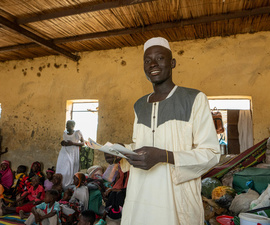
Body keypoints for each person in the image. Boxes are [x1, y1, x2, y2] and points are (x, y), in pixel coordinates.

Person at [105, 37, 220, 225]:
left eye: (160, 58)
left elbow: (211, 154)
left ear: (172, 63)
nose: (153, 64)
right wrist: (121, 152)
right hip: (140, 195)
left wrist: (164, 156)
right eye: (147, 60)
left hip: (174, 198)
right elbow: (139, 145)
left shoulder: (194, 99)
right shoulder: (139, 105)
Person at [56, 120, 84, 189]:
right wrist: (63, 143)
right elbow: (64, 141)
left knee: (70, 169)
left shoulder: (77, 133)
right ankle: (61, 184)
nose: (67, 126)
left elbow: (83, 143)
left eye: (68, 125)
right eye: (66, 125)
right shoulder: (64, 133)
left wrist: (73, 143)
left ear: (73, 126)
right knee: (62, 168)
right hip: (64, 152)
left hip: (73, 153)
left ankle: (69, 184)